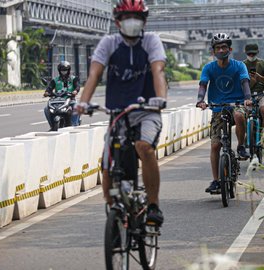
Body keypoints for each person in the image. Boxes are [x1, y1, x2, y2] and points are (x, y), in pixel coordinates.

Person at [75, 0, 166, 227]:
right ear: (118, 21)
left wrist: (160, 98)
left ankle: (153, 205)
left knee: (144, 147)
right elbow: (94, 74)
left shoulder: (151, 41)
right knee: (107, 166)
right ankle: (114, 213)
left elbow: (158, 70)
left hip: (147, 110)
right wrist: (83, 103)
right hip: (118, 113)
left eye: (135, 18)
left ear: (144, 21)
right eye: (126, 18)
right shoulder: (109, 43)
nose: (131, 22)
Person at [196, 33, 252, 194]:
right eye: (218, 48)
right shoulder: (208, 68)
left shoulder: (239, 66)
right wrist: (200, 100)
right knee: (215, 145)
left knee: (240, 115)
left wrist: (247, 98)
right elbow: (203, 85)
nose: (221, 50)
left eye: (224, 47)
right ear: (213, 51)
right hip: (217, 107)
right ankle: (215, 181)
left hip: (237, 104)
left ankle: (241, 146)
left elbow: (245, 82)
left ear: (230, 49)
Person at [43, 61, 81, 128]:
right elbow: (49, 88)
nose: (64, 72)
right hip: (58, 100)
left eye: (65, 70)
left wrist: (75, 91)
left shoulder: (73, 79)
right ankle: (52, 126)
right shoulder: (55, 80)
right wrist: (47, 92)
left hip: (70, 100)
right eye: (62, 70)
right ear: (59, 71)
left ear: (68, 70)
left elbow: (77, 86)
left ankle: (75, 125)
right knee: (46, 109)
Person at [242, 43, 264, 127]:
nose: (251, 55)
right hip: (247, 96)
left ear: (258, 52)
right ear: (245, 52)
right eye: (249, 53)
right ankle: (246, 135)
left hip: (262, 94)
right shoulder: (242, 65)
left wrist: (259, 77)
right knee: (242, 115)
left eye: (253, 53)